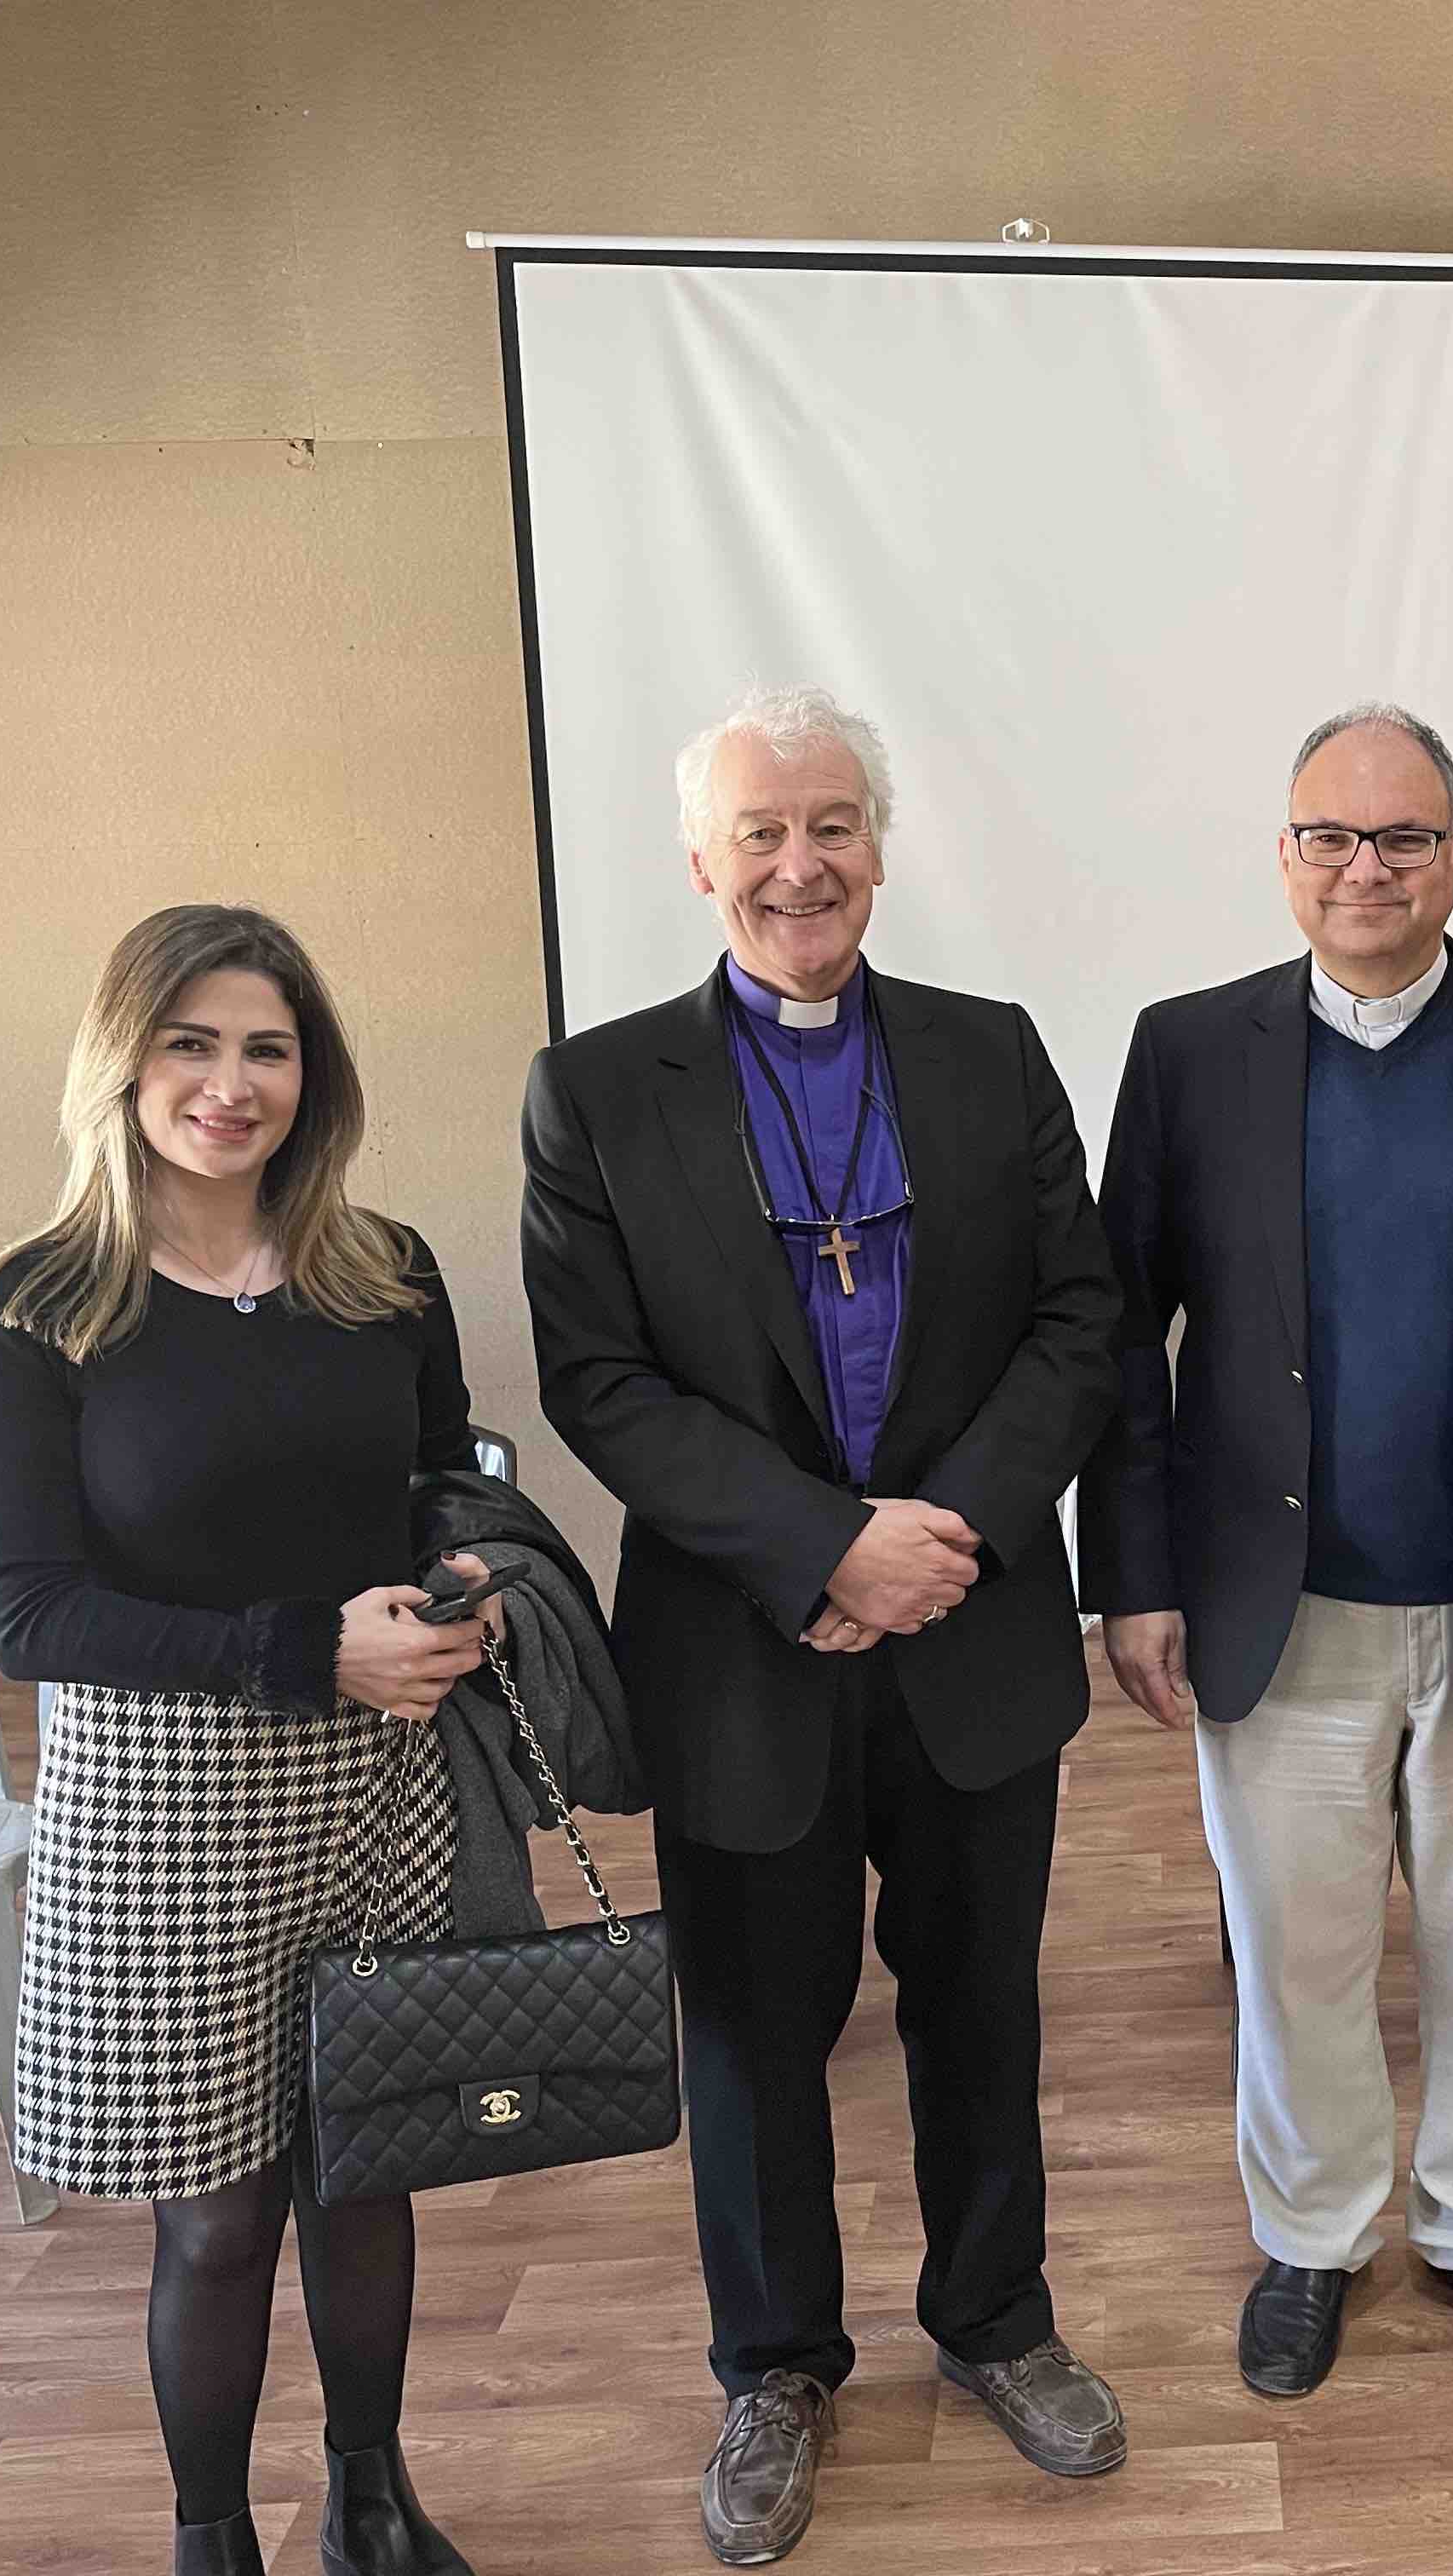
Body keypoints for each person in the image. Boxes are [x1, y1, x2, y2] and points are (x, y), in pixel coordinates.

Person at [521, 684, 1126, 2567]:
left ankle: (998, 2319)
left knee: (980, 2005)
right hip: (739, 1645)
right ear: (703, 864)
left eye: (836, 824)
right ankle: (775, 2365)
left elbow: (1082, 1320)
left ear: (881, 843)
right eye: (764, 834)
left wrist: (934, 1538)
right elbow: (598, 1385)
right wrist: (822, 1549)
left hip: (967, 1623)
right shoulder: (597, 1090)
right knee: (757, 2035)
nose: (805, 864)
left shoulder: (987, 1050)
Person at [1081, 701, 1453, 2401]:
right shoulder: (1190, 1052)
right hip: (1272, 1603)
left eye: (1405, 837)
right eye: (1333, 837)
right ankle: (1315, 2236)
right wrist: (1129, 1576)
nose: (1370, 868)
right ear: (1284, 857)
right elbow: (1123, 1341)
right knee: (1299, 1948)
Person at [0, 905, 498, 2576]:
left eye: (266, 1047)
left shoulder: (384, 1268)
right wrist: (302, 1651)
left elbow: (437, 1487)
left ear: (308, 1075)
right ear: (123, 1062)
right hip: (161, 1808)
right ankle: (210, 2538)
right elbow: (30, 1617)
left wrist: (465, 1582)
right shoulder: (43, 1303)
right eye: (191, 1043)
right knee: (219, 2216)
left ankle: (369, 2496)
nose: (230, 1083)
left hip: (374, 1782)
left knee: (365, 2174)